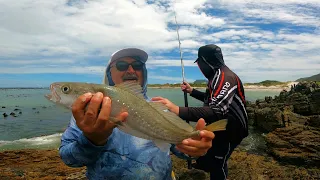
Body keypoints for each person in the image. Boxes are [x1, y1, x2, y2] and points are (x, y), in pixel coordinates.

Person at [59, 48, 215, 180]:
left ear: (144, 72)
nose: (131, 70)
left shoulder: (160, 107)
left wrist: (195, 149)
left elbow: (178, 148)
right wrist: (91, 140)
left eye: (138, 65)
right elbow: (69, 158)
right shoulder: (88, 112)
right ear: (109, 73)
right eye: (121, 65)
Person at [152, 44, 249, 180]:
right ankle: (206, 163)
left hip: (231, 131)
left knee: (218, 164)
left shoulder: (225, 77)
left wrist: (177, 110)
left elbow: (217, 110)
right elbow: (210, 100)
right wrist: (192, 91)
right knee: (212, 154)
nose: (199, 67)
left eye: (199, 63)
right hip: (221, 128)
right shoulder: (216, 76)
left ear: (205, 62)